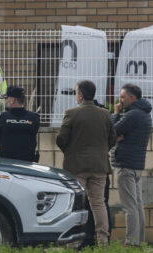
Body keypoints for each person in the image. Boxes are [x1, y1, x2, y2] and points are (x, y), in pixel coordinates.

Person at [56, 80, 116, 246]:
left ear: (81, 95)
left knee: (76, 204)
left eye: (76, 92)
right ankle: (103, 241)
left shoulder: (72, 113)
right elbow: (112, 139)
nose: (76, 95)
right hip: (99, 166)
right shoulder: (105, 114)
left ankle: (73, 243)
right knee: (98, 204)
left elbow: (61, 139)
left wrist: (70, 152)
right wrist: (101, 152)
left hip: (77, 167)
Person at [112, 83, 152, 246]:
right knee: (137, 205)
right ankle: (139, 241)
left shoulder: (133, 114)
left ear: (132, 97)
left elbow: (111, 131)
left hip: (126, 165)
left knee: (130, 207)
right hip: (136, 166)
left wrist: (115, 114)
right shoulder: (144, 113)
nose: (120, 101)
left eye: (122, 97)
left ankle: (131, 243)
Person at [0, 86, 40, 162]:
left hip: (7, 165)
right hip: (28, 165)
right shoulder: (34, 118)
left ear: (12, 100)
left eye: (6, 99)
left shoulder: (1, 118)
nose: (5, 101)